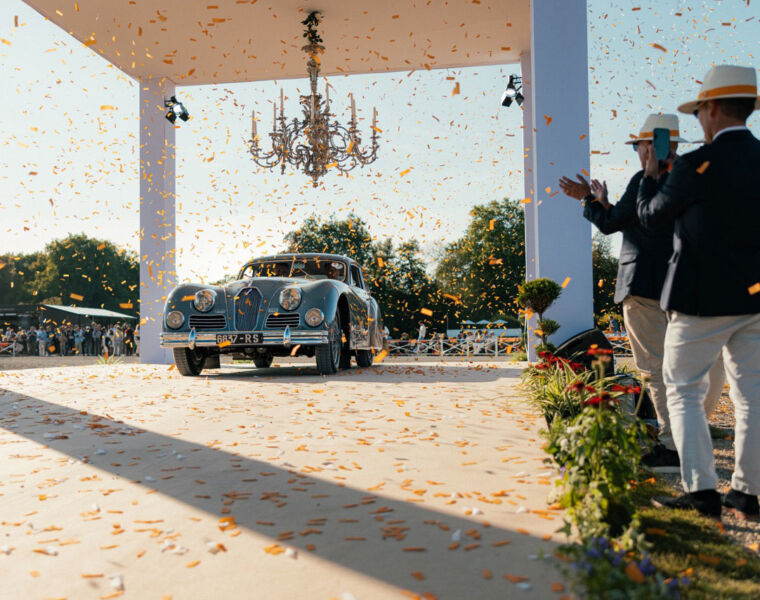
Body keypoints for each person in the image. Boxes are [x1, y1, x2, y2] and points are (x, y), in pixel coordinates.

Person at [560, 113, 726, 474]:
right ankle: (692, 434)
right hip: (687, 286)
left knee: (654, 368)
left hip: (644, 287)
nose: (638, 152)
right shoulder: (694, 177)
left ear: (651, 146)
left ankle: (672, 446)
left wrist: (588, 200)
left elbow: (611, 224)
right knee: (697, 367)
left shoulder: (643, 180)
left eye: (639, 146)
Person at [638, 65, 760, 520]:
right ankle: (747, 494)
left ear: (709, 108)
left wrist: (652, 175)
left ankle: (702, 492)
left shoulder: (692, 165)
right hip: (756, 298)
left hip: (698, 299)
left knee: (684, 391)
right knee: (752, 397)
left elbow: (651, 218)